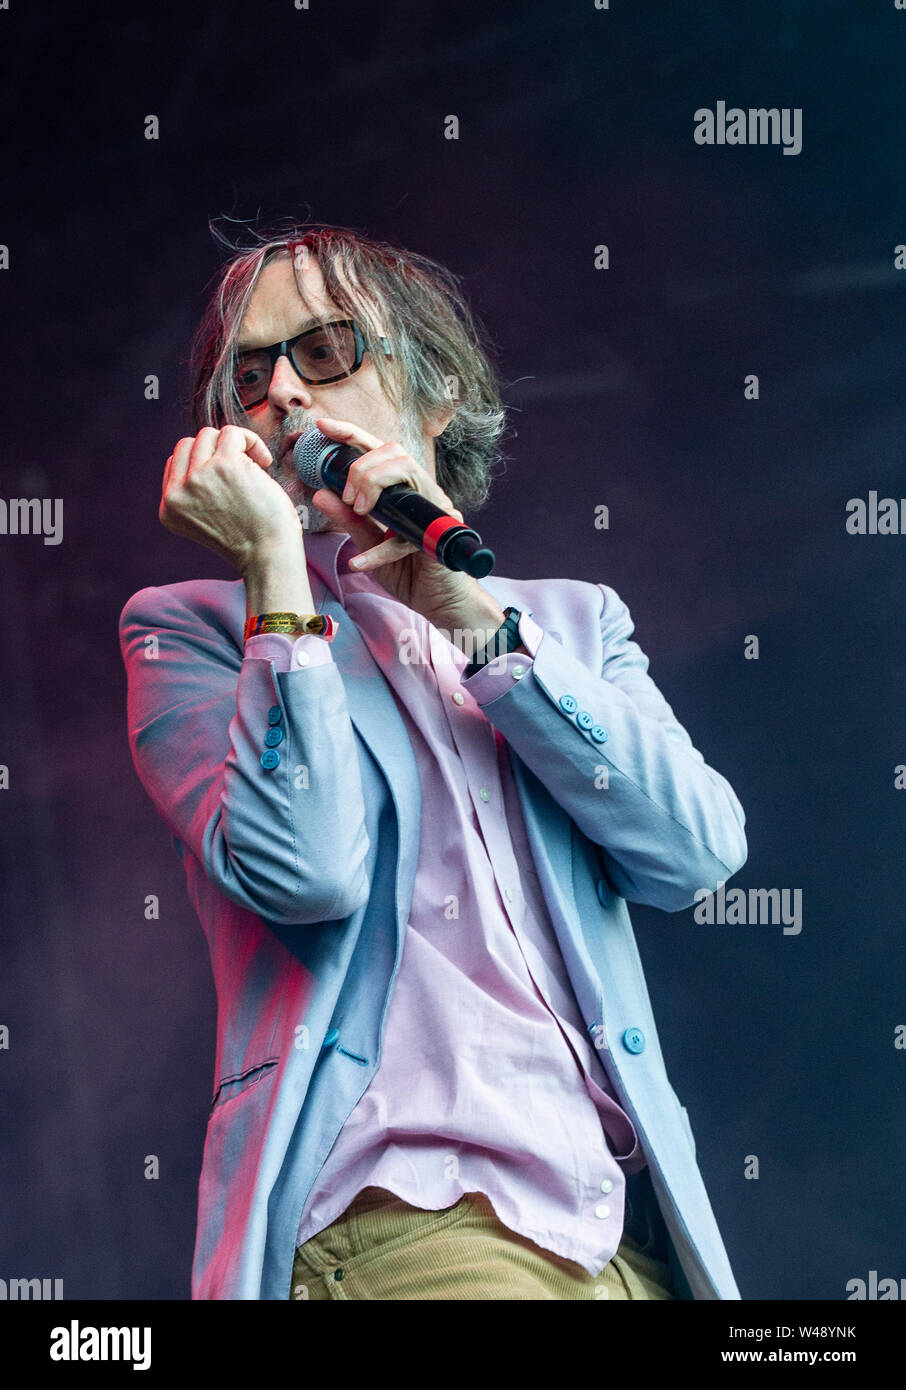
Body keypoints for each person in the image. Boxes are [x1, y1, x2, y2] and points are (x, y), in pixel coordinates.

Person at [119, 223, 748, 1301]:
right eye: (248, 373)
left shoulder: (570, 621)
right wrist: (278, 574)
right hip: (405, 1221)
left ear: (437, 392)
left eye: (323, 350)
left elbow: (696, 852)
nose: (280, 392)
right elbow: (305, 872)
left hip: (625, 1233)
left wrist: (476, 624)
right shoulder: (191, 631)